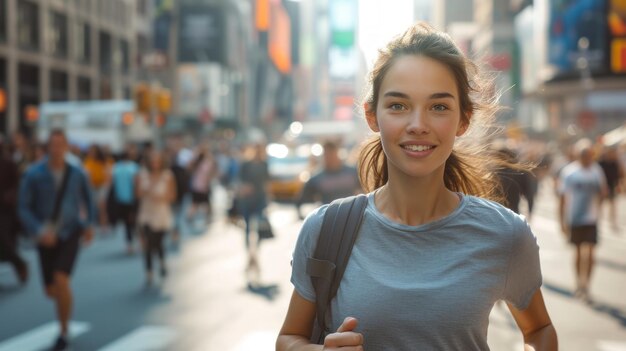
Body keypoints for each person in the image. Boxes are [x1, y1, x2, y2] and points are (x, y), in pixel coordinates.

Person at [277, 22, 557, 350]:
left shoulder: (505, 234)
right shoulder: (325, 230)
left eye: (439, 107)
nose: (418, 125)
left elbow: (540, 331)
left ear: (463, 119)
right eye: (398, 105)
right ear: (372, 116)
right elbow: (288, 339)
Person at [18, 129, 95, 351]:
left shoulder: (77, 172)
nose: (57, 149)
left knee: (62, 279)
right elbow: (24, 207)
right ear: (47, 147)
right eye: (53, 144)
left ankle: (63, 330)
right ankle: (62, 309)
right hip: (45, 236)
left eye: (61, 144)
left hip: (70, 232)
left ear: (66, 146)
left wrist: (89, 224)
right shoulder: (34, 173)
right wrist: (39, 230)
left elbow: (87, 199)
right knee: (51, 290)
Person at [558, 139, 608, 302]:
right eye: (584, 154)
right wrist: (562, 220)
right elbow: (562, 198)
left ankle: (587, 285)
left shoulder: (596, 171)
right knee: (578, 251)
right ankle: (579, 282)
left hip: (591, 218)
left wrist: (599, 208)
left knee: (591, 252)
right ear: (578, 156)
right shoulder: (570, 172)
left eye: (589, 155)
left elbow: (603, 191)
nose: (587, 157)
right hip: (575, 218)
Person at [136, 150, 176, 285]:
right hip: (146, 212)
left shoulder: (167, 175)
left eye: (157, 161)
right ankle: (149, 271)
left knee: (157, 242)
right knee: (147, 243)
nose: (154, 164)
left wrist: (161, 197)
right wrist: (146, 191)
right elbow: (137, 193)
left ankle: (161, 262)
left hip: (161, 213)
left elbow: (172, 196)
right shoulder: (142, 174)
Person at [296, 141, 362, 220]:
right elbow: (302, 200)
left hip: (352, 216)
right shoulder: (317, 178)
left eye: (332, 154)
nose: (330, 158)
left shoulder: (352, 173)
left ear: (337, 154)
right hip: (329, 220)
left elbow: (368, 190)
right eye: (327, 155)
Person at [236, 142, 270, 287]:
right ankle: (250, 256)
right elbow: (240, 182)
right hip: (247, 201)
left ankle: (254, 254)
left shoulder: (264, 164)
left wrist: (269, 201)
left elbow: (267, 183)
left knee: (260, 230)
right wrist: (244, 189)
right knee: (248, 229)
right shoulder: (246, 165)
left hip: (260, 201)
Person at [0, 136, 28, 284]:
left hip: (5, 210)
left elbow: (17, 186)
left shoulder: (8, 162)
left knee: (5, 240)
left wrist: (9, 197)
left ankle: (19, 264)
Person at [110, 150, 140, 253]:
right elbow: (137, 183)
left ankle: (129, 243)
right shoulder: (133, 167)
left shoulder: (116, 168)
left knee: (127, 223)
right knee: (135, 221)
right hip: (132, 199)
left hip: (120, 199)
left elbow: (111, 182)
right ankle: (138, 240)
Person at [598, 146, 624, 229]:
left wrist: (620, 185)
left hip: (612, 185)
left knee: (612, 204)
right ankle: (598, 220)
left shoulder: (615, 163)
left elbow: (620, 174)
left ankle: (612, 221)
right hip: (602, 186)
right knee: (600, 204)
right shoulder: (601, 163)